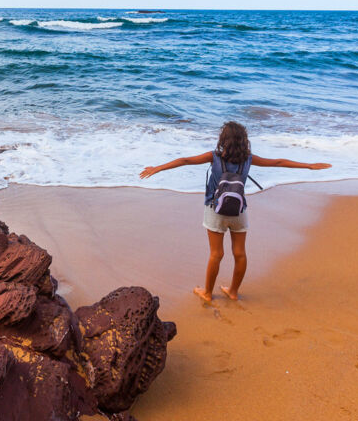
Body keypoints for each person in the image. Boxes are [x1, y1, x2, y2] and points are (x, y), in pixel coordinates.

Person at [139, 121, 330, 302]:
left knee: (216, 254)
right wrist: (308, 165)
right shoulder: (248, 159)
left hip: (215, 211)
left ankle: (207, 293)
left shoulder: (214, 157)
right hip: (239, 211)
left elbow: (186, 160)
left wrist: (158, 168)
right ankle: (233, 292)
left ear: (223, 140)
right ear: (243, 140)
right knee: (240, 253)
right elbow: (278, 162)